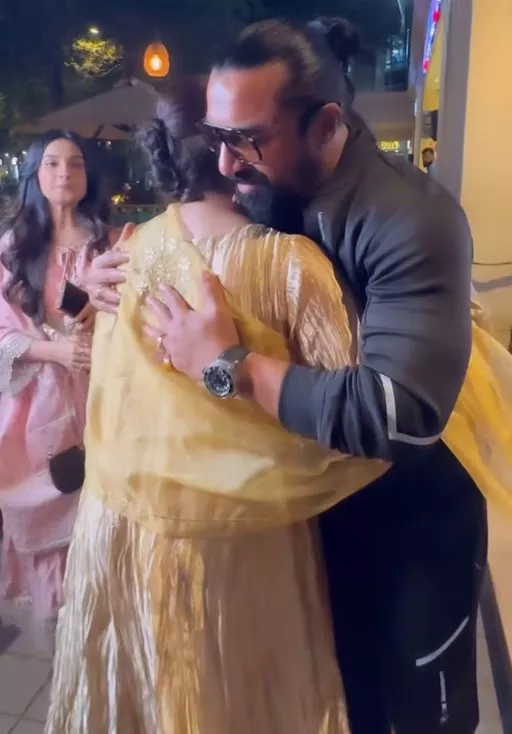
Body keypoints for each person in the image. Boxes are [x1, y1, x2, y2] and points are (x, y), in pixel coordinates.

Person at [139, 18, 491, 734]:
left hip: (413, 523)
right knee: (347, 698)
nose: (227, 165)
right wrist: (126, 264)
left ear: (327, 123)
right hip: (317, 516)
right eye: (217, 137)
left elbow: (393, 413)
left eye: (248, 140)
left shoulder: (409, 218)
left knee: (420, 712)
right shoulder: (266, 191)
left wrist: (227, 366)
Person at [45, 76, 389, 734]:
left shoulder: (125, 251)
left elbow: (88, 352)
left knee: (138, 692)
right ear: (241, 150)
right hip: (239, 532)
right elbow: (344, 410)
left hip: (121, 522)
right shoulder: (289, 263)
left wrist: (81, 294)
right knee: (231, 697)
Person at [0, 130, 110, 620]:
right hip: (36, 408)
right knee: (51, 509)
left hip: (102, 396)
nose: (65, 172)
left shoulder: (108, 242)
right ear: (34, 175)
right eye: (52, 163)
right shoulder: (12, 249)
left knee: (101, 512)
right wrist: (56, 351)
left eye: (76, 163)